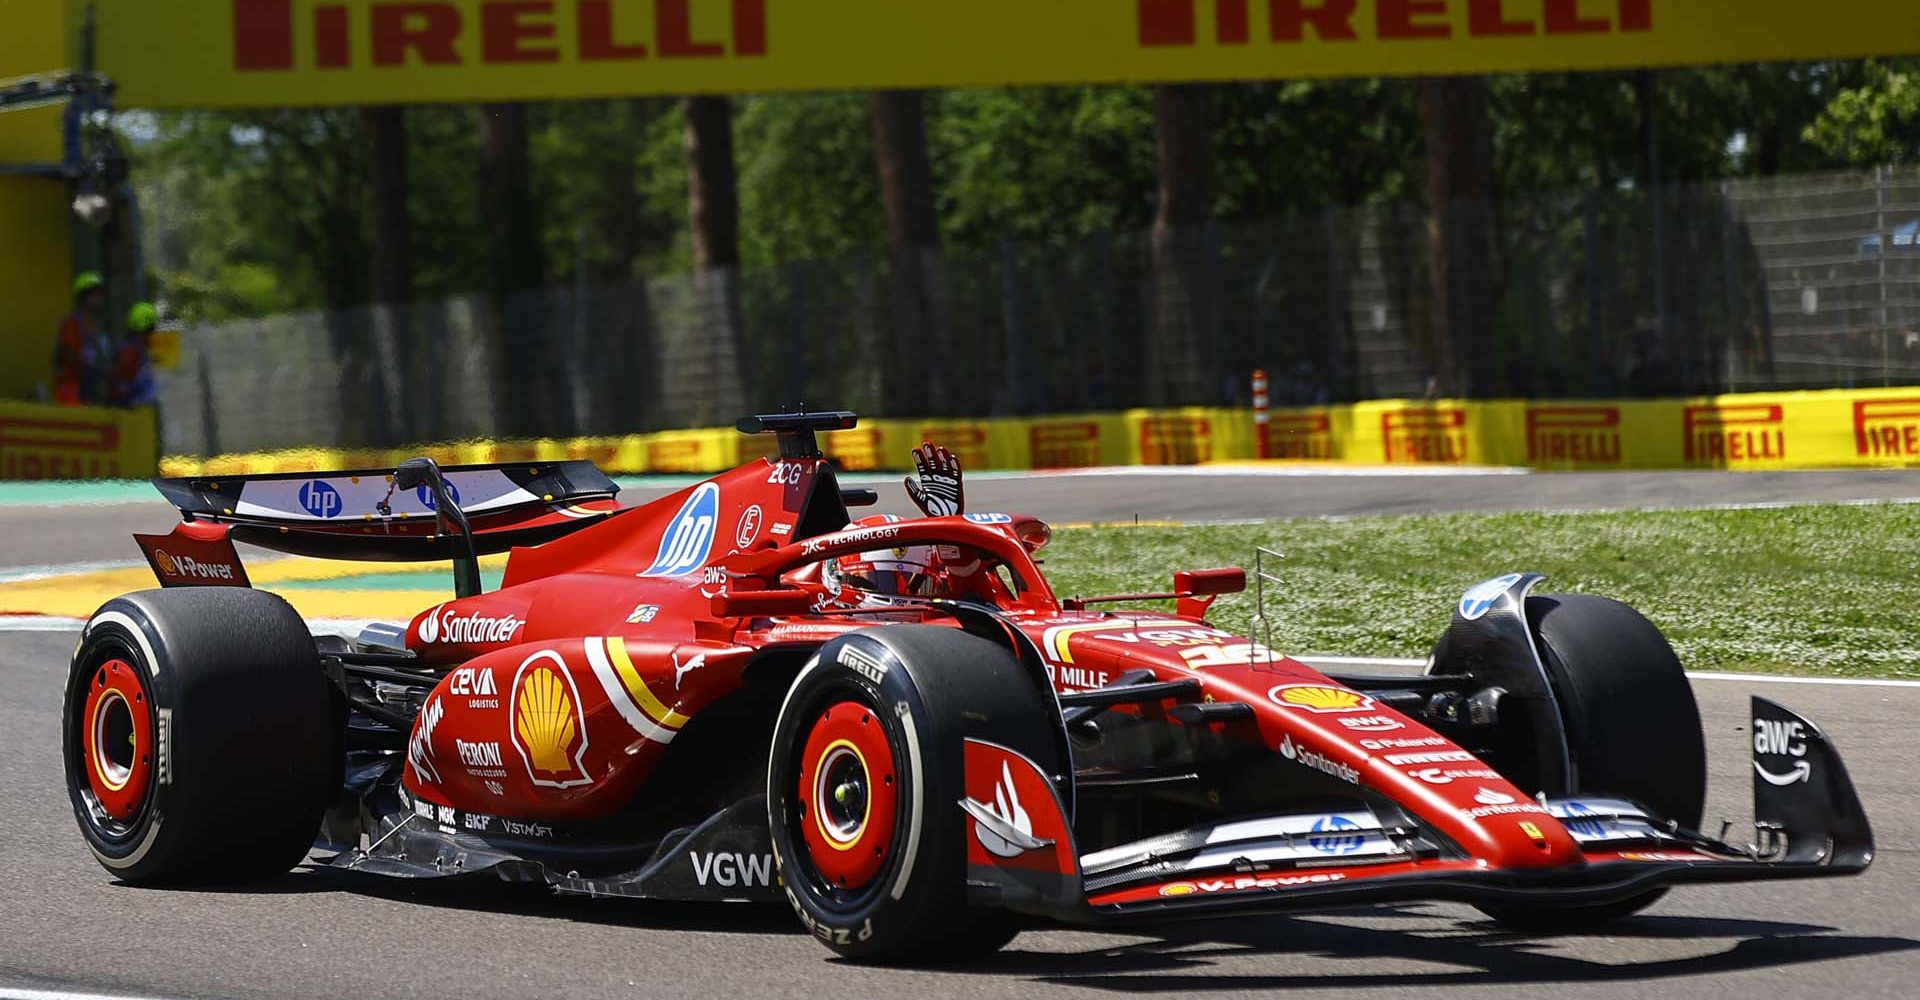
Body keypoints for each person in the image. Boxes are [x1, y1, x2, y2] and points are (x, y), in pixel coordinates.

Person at [823, 444, 969, 605]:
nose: (896, 601)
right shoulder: (807, 618)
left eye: (919, 585)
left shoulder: (939, 619)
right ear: (836, 577)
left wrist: (948, 526)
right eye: (874, 582)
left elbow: (976, 596)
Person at [54, 272, 114, 405]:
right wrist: (95, 368)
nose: (100, 299)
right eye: (95, 294)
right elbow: (66, 353)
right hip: (72, 387)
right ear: (83, 297)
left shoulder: (97, 325)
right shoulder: (72, 323)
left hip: (91, 387)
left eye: (100, 294)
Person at [114, 302, 160, 407]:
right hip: (131, 410)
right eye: (151, 330)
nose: (154, 335)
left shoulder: (141, 351)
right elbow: (122, 390)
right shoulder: (129, 354)